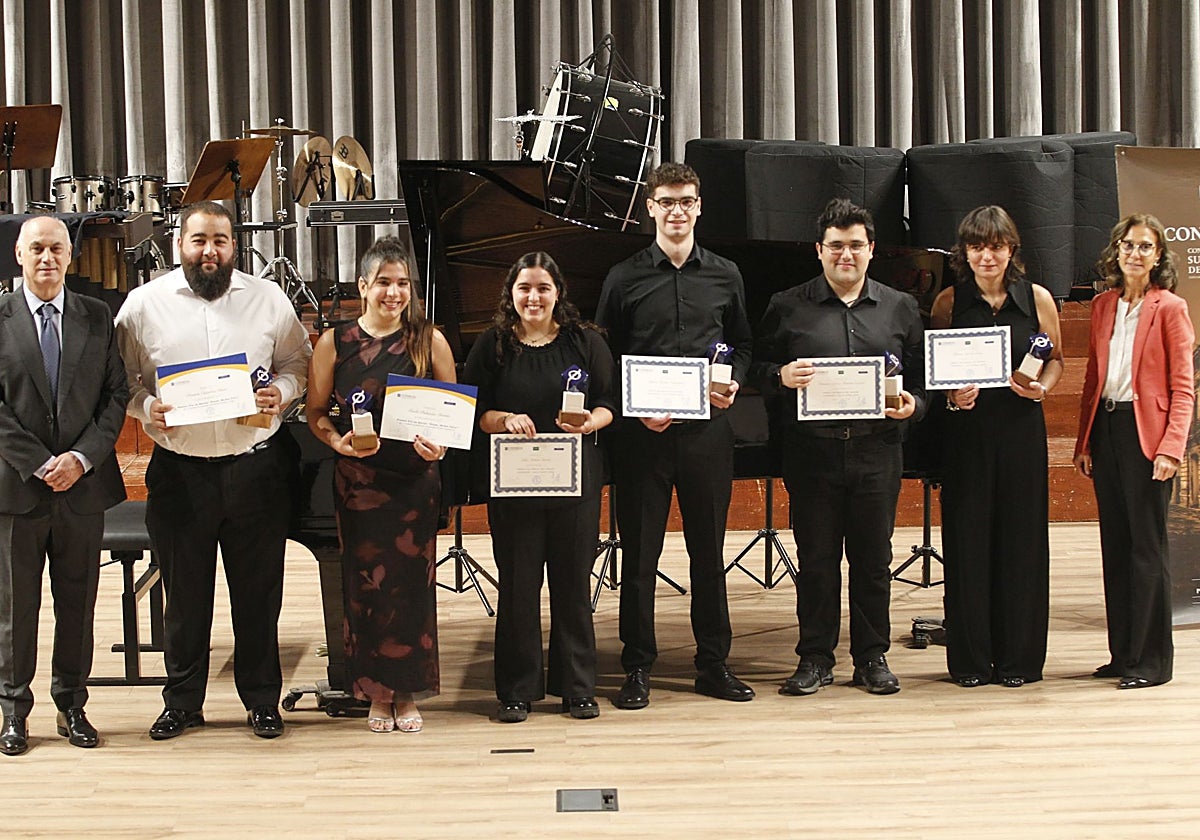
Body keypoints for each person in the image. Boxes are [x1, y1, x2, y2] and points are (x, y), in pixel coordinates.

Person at [115, 201, 312, 739]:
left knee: (258, 595)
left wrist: (284, 392)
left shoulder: (268, 299)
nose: (210, 251)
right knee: (184, 597)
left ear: (234, 245)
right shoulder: (142, 305)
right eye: (199, 240)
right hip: (181, 473)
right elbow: (122, 379)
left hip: (257, 471)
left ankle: (262, 701)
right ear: (180, 243)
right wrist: (143, 407)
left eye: (220, 240)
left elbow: (299, 362)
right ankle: (182, 702)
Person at [596, 161, 755, 708]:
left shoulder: (726, 274)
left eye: (686, 201)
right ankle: (637, 666)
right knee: (638, 556)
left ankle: (713, 663)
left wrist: (732, 380)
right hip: (643, 437)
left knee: (707, 553)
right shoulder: (624, 276)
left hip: (706, 433)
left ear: (699, 206)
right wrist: (633, 409)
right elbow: (604, 357)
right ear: (650, 208)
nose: (677, 211)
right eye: (667, 202)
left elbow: (743, 344)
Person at [752, 197, 925, 696]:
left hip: (877, 452)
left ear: (871, 249)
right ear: (819, 250)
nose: (844, 255)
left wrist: (914, 404)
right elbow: (757, 370)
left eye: (855, 246)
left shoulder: (900, 306)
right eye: (835, 246)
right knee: (817, 560)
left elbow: (920, 379)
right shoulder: (787, 305)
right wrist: (780, 375)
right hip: (812, 453)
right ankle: (814, 657)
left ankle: (872, 657)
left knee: (873, 560)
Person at [306, 236, 453, 732]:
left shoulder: (428, 339)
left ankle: (406, 691)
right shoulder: (335, 342)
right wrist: (338, 443)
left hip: (414, 483)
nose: (394, 292)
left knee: (413, 588)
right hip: (359, 484)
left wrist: (443, 447)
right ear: (363, 286)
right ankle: (374, 692)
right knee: (364, 588)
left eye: (403, 283)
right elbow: (315, 414)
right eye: (384, 282)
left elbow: (451, 415)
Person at [463, 252, 615, 723]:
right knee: (519, 586)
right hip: (514, 486)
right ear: (511, 294)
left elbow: (610, 402)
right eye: (525, 288)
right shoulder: (492, 345)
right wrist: (504, 419)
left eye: (543, 288)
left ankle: (577, 687)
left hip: (575, 482)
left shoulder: (585, 343)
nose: (534, 297)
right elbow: (474, 409)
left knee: (573, 583)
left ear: (558, 294)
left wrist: (592, 420)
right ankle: (516, 689)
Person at [0, 217, 129, 756]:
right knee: (15, 606)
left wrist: (80, 458)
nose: (47, 258)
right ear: (18, 255)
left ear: (70, 256)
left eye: (56, 248)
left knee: (77, 603)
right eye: (37, 249)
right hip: (17, 489)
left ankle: (72, 706)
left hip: (82, 488)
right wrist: (38, 462)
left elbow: (116, 397)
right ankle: (12, 711)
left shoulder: (97, 316)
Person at [930, 206, 1064, 688]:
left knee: (1022, 544)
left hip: (1021, 433)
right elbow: (936, 372)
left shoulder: (1039, 299)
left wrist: (1042, 387)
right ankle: (969, 661)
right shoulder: (948, 301)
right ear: (965, 252)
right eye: (977, 247)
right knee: (966, 544)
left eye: (996, 246)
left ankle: (1020, 661)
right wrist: (950, 394)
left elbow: (1057, 361)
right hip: (967, 437)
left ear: (1012, 250)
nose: (987, 256)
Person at [1073, 213, 1195, 690]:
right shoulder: (1103, 305)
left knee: (1148, 550)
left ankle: (1151, 662)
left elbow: (1183, 388)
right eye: (1128, 245)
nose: (1135, 253)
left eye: (1145, 246)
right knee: (1116, 547)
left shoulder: (1171, 309)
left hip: (1147, 437)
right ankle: (1122, 654)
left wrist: (1171, 447)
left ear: (1158, 255)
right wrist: (1084, 440)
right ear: (1117, 251)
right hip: (1106, 430)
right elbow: (1091, 381)